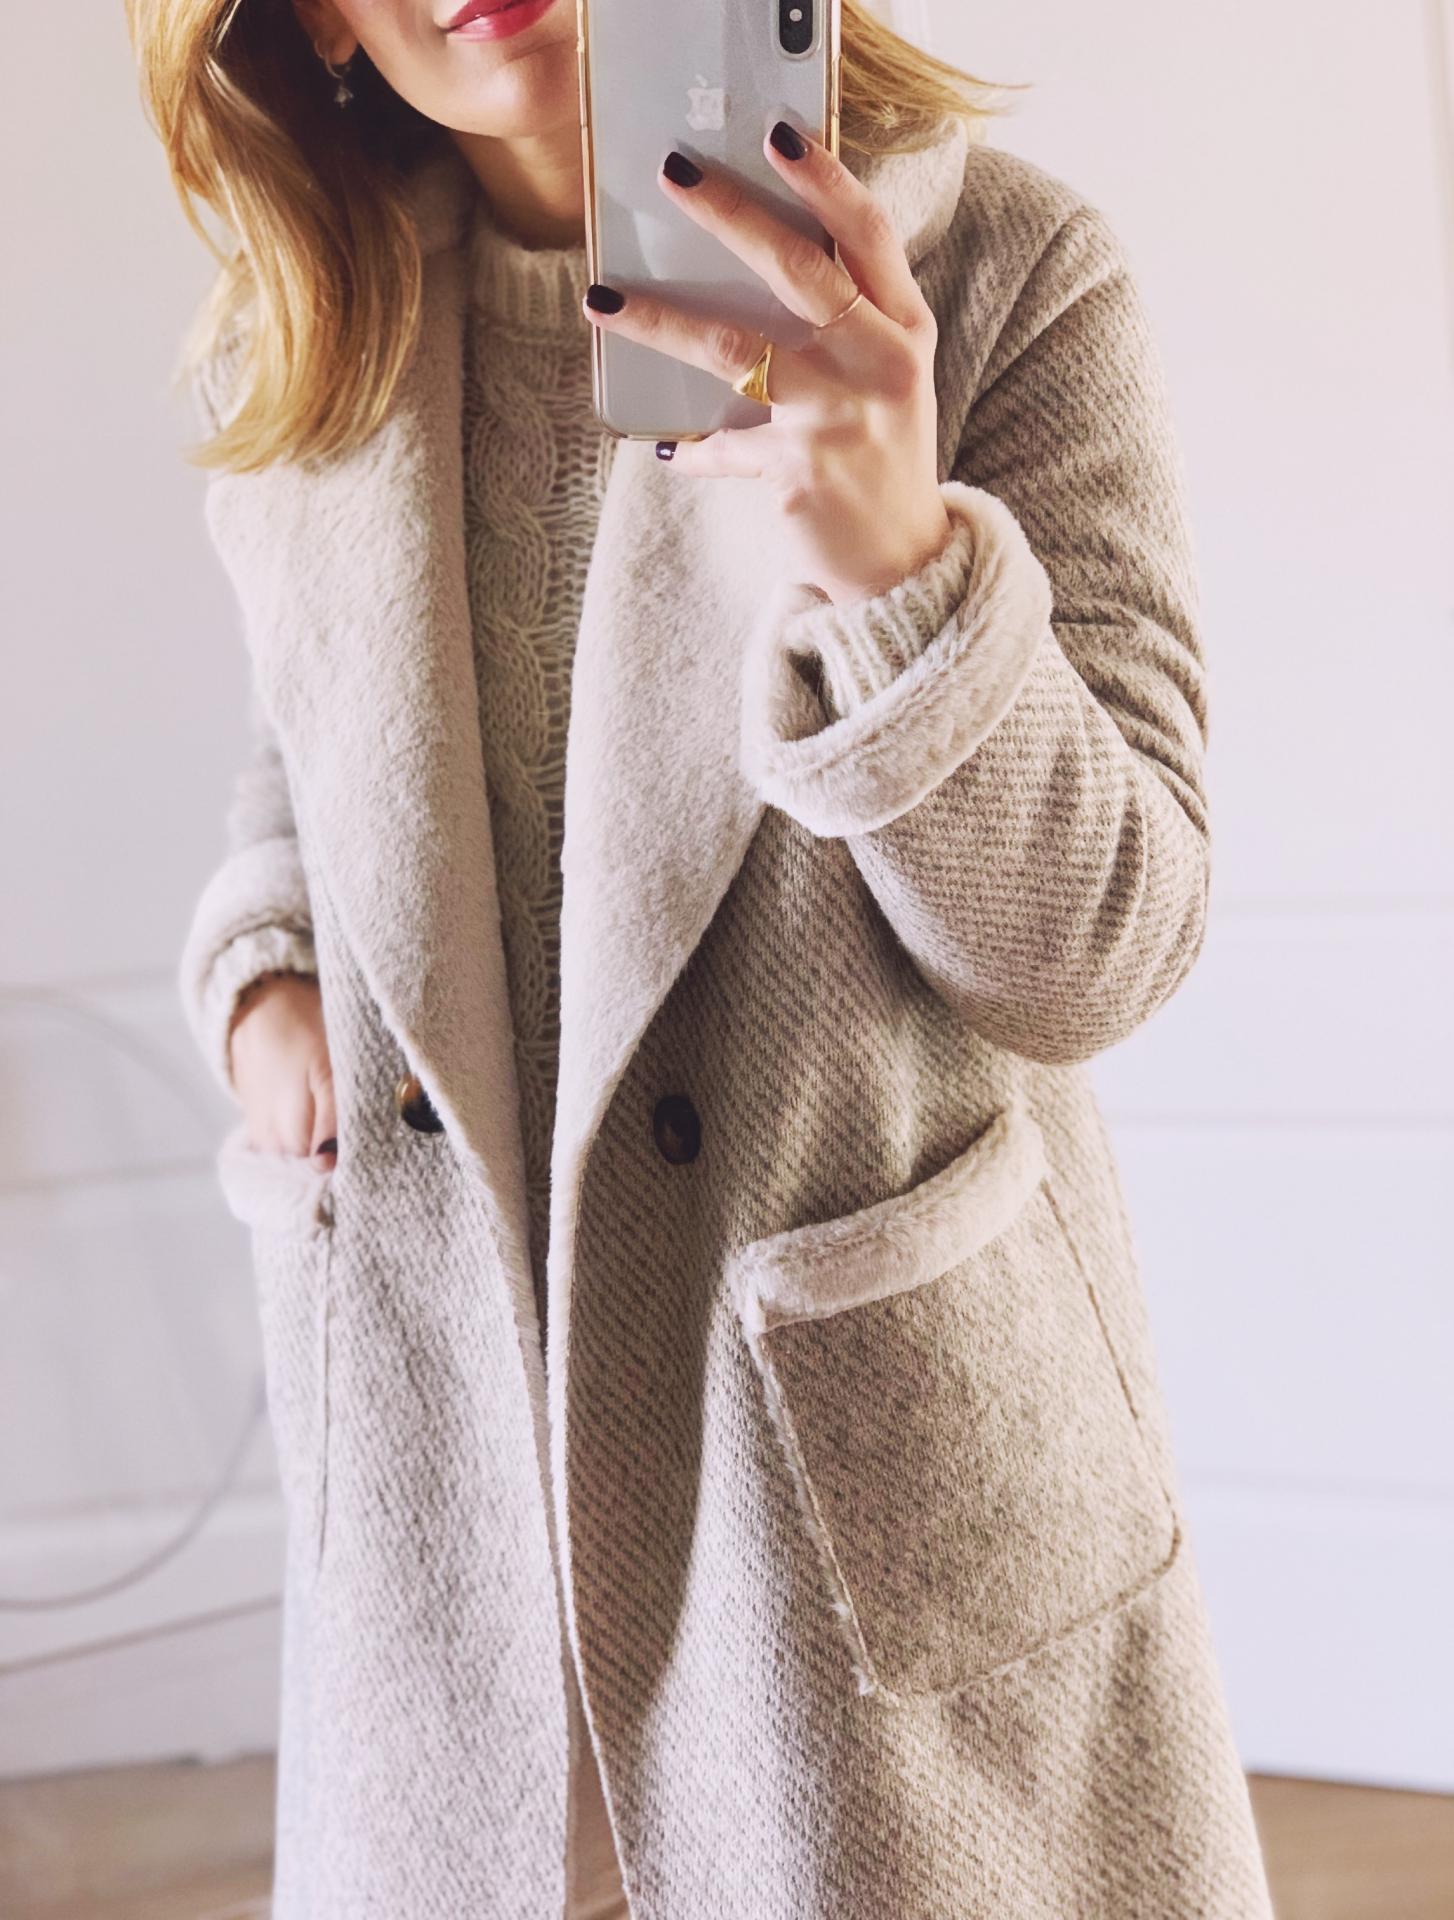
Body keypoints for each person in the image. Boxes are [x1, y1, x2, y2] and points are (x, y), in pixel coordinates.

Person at [131, 0, 1277, 1913]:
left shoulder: (995, 272)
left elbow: (1098, 950)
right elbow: (305, 752)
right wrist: (264, 969)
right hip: (449, 1519)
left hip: (849, 1533)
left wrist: (899, 568)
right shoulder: (317, 337)